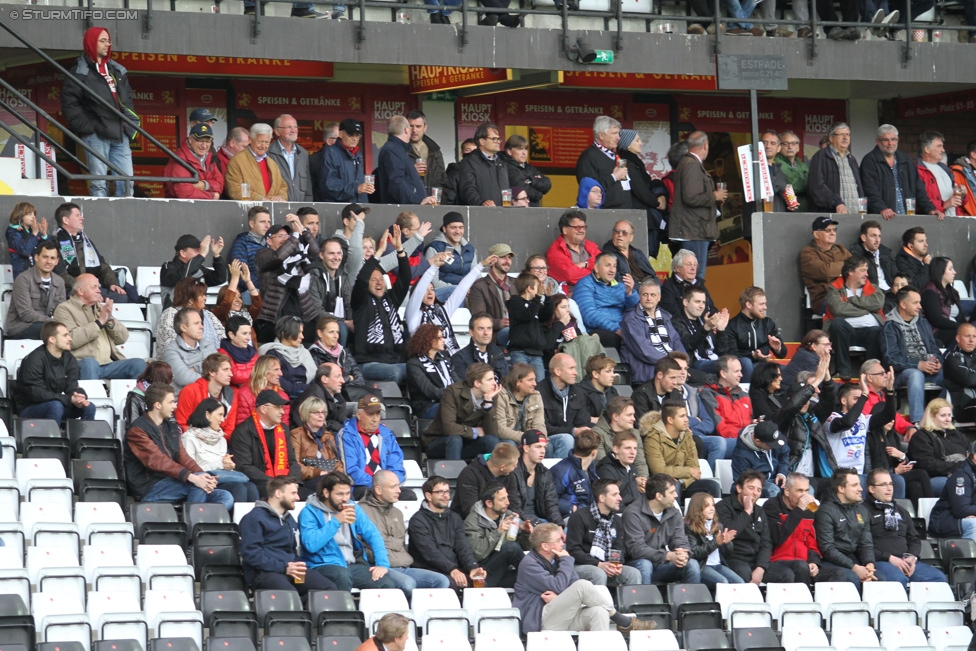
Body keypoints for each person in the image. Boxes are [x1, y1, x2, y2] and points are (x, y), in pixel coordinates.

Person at [514, 522, 651, 634]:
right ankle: (622, 620)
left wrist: (559, 598)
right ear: (545, 546)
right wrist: (566, 561)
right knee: (583, 585)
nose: (562, 543)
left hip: (562, 615)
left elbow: (571, 583)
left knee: (599, 612)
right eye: (557, 540)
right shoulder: (529, 564)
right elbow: (559, 586)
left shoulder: (558, 560)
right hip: (540, 620)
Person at [123, 382, 234, 511]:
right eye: (170, 402)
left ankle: (205, 526)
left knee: (225, 496)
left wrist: (204, 476)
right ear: (158, 405)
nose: (175, 406)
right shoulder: (137, 430)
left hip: (175, 481)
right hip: (150, 487)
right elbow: (158, 461)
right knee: (197, 485)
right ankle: (194, 525)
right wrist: (193, 477)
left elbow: (184, 457)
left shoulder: (171, 427)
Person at [61, 27, 134, 198]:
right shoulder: (79, 72)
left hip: (120, 132)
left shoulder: (117, 70)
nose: (107, 44)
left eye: (108, 41)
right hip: (96, 134)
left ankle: (124, 221)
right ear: (91, 43)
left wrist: (130, 125)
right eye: (102, 41)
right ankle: (102, 221)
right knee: (99, 184)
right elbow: (70, 105)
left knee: (127, 182)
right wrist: (90, 127)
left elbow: (128, 100)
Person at [298, 471, 398, 591]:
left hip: (351, 565)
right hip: (322, 565)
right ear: (326, 492)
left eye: (347, 494)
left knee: (386, 583)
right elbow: (311, 545)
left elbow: (373, 535)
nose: (345, 499)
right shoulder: (309, 512)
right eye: (340, 494)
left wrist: (382, 564)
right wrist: (336, 522)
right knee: (342, 576)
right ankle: (345, 609)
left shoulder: (353, 507)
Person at [239, 476, 337, 597]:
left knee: (329, 589)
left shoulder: (289, 519)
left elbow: (292, 550)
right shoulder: (254, 518)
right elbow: (251, 555)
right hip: (264, 573)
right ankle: (297, 611)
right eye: (293, 493)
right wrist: (284, 567)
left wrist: (296, 564)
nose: (298, 497)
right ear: (278, 493)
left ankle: (305, 613)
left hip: (291, 570)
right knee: (290, 595)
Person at [358, 470, 452, 597]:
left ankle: (421, 615)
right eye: (393, 487)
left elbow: (400, 544)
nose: (399, 491)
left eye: (399, 486)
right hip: (378, 567)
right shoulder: (361, 511)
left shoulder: (397, 512)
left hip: (404, 567)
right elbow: (360, 547)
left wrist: (389, 545)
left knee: (442, 581)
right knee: (408, 584)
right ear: (379, 490)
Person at [54, 273, 145, 381]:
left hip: (108, 365)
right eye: (94, 287)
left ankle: (134, 398)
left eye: (98, 287)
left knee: (138, 364)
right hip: (79, 364)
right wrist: (99, 322)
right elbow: (70, 340)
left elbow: (123, 338)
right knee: (90, 363)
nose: (99, 291)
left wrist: (109, 319)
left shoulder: (100, 309)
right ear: (80, 291)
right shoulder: (64, 309)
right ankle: (90, 397)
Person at [864, 468, 947, 586]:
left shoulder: (902, 511)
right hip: (880, 561)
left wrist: (912, 557)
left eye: (891, 484)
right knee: (899, 579)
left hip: (904, 561)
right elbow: (862, 545)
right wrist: (889, 558)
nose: (889, 488)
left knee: (938, 578)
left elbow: (914, 539)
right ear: (871, 488)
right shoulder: (862, 511)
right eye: (883, 485)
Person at [351, 226, 412, 385]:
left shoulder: (391, 299)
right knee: (396, 372)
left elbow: (405, 278)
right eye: (374, 280)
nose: (379, 282)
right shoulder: (361, 301)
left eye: (381, 279)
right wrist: (378, 253)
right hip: (368, 363)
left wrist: (400, 250)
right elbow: (361, 278)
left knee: (418, 369)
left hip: (394, 360)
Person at [762, 472, 844, 586]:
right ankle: (805, 602)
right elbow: (777, 538)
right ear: (787, 491)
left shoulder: (810, 510)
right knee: (800, 566)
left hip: (804, 563)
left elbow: (812, 541)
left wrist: (814, 562)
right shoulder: (771, 506)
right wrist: (799, 510)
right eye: (800, 491)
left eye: (807, 491)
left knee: (839, 574)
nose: (804, 495)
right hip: (778, 561)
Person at [407, 252, 492, 358]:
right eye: (426, 290)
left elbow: (460, 290)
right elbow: (419, 290)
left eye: (432, 290)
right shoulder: (413, 314)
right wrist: (434, 267)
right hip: (427, 360)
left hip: (452, 359)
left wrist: (481, 266)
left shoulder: (442, 311)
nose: (430, 293)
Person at [621, 473, 701, 585]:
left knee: (692, 564)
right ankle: (646, 602)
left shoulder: (674, 512)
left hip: (662, 564)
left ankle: (690, 601)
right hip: (636, 563)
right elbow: (636, 549)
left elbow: (680, 539)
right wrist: (667, 556)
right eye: (672, 492)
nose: (676, 495)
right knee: (645, 564)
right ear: (658, 496)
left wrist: (683, 553)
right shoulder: (633, 513)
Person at [408, 476, 486, 589]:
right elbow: (430, 553)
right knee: (452, 584)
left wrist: (472, 567)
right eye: (440, 492)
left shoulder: (455, 518)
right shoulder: (418, 520)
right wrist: (452, 569)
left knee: (480, 584)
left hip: (451, 569)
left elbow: (463, 547)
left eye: (447, 492)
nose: (446, 496)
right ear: (428, 496)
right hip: (429, 570)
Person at [882, 285, 944, 425]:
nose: (920, 306)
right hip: (902, 373)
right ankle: (918, 422)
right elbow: (891, 359)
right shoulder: (889, 327)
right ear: (903, 305)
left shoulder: (923, 323)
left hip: (928, 368)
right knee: (915, 374)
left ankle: (944, 416)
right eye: (915, 303)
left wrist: (938, 362)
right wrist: (918, 365)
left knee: (953, 373)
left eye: (919, 302)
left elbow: (934, 349)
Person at [254, 217, 321, 345]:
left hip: (303, 313)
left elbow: (315, 253)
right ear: (269, 240)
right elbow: (278, 257)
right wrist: (295, 236)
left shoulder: (296, 256)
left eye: (287, 236)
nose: (285, 239)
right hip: (276, 317)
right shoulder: (262, 255)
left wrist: (303, 230)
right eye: (280, 236)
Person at [566, 478, 643, 587]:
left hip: (606, 565)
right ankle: (600, 604)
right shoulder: (579, 516)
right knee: (598, 573)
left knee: (632, 573)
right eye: (615, 495)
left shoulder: (617, 520)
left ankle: (630, 604)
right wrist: (599, 564)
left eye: (619, 494)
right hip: (581, 565)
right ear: (602, 498)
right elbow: (573, 550)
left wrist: (616, 565)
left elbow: (619, 548)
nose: (620, 498)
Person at [181, 398, 260, 503]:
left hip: (221, 479)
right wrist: (221, 464)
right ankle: (232, 519)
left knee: (251, 487)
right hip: (202, 483)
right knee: (239, 488)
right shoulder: (189, 437)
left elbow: (224, 467)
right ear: (207, 415)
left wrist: (229, 466)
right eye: (220, 415)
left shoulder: (222, 439)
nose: (223, 420)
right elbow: (190, 470)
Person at [13, 320, 95, 422]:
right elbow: (37, 394)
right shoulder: (35, 359)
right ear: (52, 339)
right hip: (29, 408)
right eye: (65, 335)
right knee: (55, 406)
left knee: (89, 406)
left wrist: (79, 396)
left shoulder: (69, 359)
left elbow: (72, 386)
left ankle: (84, 437)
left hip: (56, 404)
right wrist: (69, 399)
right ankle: (52, 437)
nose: (70, 339)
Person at [53, 202, 136, 301]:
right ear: (65, 220)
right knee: (80, 297)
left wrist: (113, 283)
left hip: (93, 287)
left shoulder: (86, 242)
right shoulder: (55, 243)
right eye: (77, 215)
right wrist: (85, 288)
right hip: (72, 289)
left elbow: (103, 266)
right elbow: (61, 274)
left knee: (121, 297)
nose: (82, 218)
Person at [670, 131, 724, 281]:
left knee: (690, 275)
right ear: (705, 145)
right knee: (694, 276)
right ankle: (692, 304)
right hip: (694, 230)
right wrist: (714, 196)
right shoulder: (691, 165)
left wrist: (714, 201)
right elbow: (691, 197)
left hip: (693, 229)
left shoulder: (688, 163)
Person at [228, 389, 302, 498]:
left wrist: (292, 482)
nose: (282, 412)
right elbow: (244, 466)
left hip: (283, 482)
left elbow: (292, 461)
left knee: (312, 493)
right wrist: (275, 484)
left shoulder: (284, 429)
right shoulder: (243, 431)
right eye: (277, 407)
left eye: (282, 408)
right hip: (259, 484)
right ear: (263, 409)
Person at [423, 363, 503, 461]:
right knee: (455, 439)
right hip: (440, 441)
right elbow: (449, 428)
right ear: (477, 383)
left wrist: (488, 403)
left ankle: (489, 475)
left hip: (467, 442)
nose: (494, 383)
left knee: (492, 440)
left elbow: (492, 432)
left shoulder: (490, 395)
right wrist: (475, 431)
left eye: (494, 379)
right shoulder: (453, 391)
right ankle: (454, 474)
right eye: (490, 380)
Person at [642, 401, 721, 501]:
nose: (686, 420)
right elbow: (659, 471)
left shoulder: (687, 435)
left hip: (684, 483)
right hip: (660, 487)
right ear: (670, 420)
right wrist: (688, 472)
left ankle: (712, 516)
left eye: (686, 416)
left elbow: (695, 469)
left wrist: (682, 481)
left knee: (712, 486)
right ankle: (675, 516)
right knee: (673, 486)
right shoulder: (653, 438)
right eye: (682, 416)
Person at [815, 468, 877, 588]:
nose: (861, 488)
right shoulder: (825, 511)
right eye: (855, 485)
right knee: (852, 579)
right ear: (841, 488)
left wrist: (869, 564)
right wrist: (854, 567)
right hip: (830, 561)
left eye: (859, 484)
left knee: (879, 579)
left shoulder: (862, 510)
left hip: (853, 560)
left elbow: (866, 544)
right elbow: (827, 549)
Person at [825, 256, 885, 380]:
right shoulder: (834, 289)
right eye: (863, 270)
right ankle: (843, 370)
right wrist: (866, 309)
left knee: (877, 331)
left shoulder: (874, 288)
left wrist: (852, 300)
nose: (866, 274)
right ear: (850, 272)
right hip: (847, 333)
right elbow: (838, 309)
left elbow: (878, 304)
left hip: (870, 332)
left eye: (867, 270)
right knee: (837, 323)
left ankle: (870, 372)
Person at [860, 125, 937, 218]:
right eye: (885, 140)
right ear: (877, 141)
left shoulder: (905, 159)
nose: (890, 143)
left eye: (893, 139)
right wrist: (881, 208)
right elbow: (870, 190)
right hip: (882, 218)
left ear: (898, 140)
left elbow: (918, 189)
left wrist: (930, 209)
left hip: (907, 217)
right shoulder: (870, 160)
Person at [340, 395, 408, 500]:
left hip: (386, 486)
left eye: (378, 414)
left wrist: (391, 485)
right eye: (371, 414)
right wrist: (377, 485)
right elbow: (351, 470)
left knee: (409, 496)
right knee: (369, 495)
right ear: (358, 415)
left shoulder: (386, 434)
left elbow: (397, 466)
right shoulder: (347, 435)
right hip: (361, 486)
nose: (375, 419)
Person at [621, 276, 686, 385]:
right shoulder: (631, 318)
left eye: (653, 295)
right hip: (647, 371)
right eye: (645, 294)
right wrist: (672, 363)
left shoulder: (665, 316)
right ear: (639, 296)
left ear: (659, 297)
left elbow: (676, 341)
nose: (649, 298)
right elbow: (644, 350)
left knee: (701, 377)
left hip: (669, 366)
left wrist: (682, 362)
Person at [463, 483, 528, 588]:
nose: (508, 502)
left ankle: (539, 577)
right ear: (489, 503)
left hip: (504, 571)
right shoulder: (472, 521)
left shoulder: (508, 515)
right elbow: (477, 553)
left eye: (507, 497)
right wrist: (498, 531)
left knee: (528, 578)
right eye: (502, 499)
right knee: (510, 548)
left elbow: (524, 549)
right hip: (484, 572)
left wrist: (526, 533)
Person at [573, 253, 638, 350]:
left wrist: (629, 293)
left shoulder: (621, 286)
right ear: (596, 268)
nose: (612, 270)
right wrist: (616, 329)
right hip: (598, 330)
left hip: (623, 327)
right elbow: (589, 315)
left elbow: (635, 311)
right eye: (607, 265)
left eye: (614, 266)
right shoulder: (585, 284)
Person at [908, 398, 968, 497]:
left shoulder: (958, 435)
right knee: (964, 485)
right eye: (943, 416)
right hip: (936, 478)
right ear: (931, 416)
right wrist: (959, 465)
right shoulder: (921, 437)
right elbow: (927, 465)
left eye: (949, 415)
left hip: (963, 474)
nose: (948, 419)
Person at [6, 240, 66, 340]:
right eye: (45, 257)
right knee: (54, 332)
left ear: (57, 261)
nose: (48, 261)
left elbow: (62, 309)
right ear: (36, 257)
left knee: (67, 330)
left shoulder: (59, 281)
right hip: (21, 327)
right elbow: (26, 314)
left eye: (52, 258)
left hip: (47, 325)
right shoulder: (23, 279)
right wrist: (51, 321)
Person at [727, 286, 787, 381]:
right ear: (749, 305)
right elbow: (731, 355)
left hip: (763, 366)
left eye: (765, 304)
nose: (765, 307)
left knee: (788, 371)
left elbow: (782, 354)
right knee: (746, 363)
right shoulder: (732, 325)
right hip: (743, 368)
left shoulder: (768, 323)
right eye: (761, 304)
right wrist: (753, 355)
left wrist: (778, 348)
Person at [290, 393, 344, 497]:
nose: (321, 416)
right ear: (306, 414)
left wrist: (336, 474)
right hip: (309, 480)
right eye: (316, 413)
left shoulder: (329, 436)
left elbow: (338, 463)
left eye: (323, 412)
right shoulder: (296, 435)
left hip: (330, 479)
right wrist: (318, 472)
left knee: (344, 488)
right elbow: (295, 465)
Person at [684, 493, 742, 590]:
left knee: (740, 583)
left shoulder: (718, 526)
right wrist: (716, 542)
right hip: (702, 566)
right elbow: (694, 552)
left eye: (713, 505)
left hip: (718, 565)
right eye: (707, 506)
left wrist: (727, 543)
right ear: (697, 508)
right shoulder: (689, 527)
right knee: (723, 583)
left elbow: (727, 554)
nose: (712, 508)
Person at [175, 353, 239, 440]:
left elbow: (229, 429)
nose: (231, 374)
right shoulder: (190, 391)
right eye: (225, 370)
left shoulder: (232, 394)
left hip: (219, 442)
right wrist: (203, 440)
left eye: (230, 370)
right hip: (193, 442)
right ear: (212, 372)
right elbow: (182, 423)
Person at [537, 353, 589, 460]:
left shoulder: (578, 392)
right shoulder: (539, 392)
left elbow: (582, 421)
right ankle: (561, 475)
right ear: (557, 371)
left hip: (571, 436)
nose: (576, 372)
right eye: (571, 368)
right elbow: (542, 427)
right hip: (547, 437)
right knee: (567, 439)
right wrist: (572, 431)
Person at [673, 285, 734, 375]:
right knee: (730, 366)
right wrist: (706, 328)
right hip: (695, 364)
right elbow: (688, 344)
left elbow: (722, 351)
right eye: (697, 302)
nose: (701, 306)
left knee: (744, 362)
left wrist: (721, 329)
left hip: (713, 360)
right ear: (685, 302)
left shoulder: (704, 320)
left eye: (703, 302)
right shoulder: (676, 321)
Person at [452, 442, 522, 519]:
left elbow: (513, 502)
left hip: (502, 519)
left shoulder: (510, 476)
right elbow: (470, 509)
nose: (516, 467)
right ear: (502, 467)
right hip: (469, 524)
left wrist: (512, 516)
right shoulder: (469, 474)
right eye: (514, 465)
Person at [376, 116, 436, 206]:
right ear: (406, 130)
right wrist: (417, 201)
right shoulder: (392, 150)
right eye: (410, 127)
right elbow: (396, 183)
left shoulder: (397, 149)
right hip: (403, 211)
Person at [575, 116, 632, 210]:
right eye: (614, 133)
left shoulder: (614, 155)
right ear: (601, 135)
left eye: (618, 133)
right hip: (605, 213)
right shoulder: (588, 156)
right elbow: (588, 189)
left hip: (624, 211)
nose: (618, 137)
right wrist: (614, 177)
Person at [799, 216, 853, 315]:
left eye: (834, 229)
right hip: (824, 299)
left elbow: (857, 266)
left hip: (851, 293)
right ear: (816, 234)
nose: (833, 233)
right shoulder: (808, 252)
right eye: (828, 230)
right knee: (851, 310)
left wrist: (836, 268)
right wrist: (847, 267)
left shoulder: (840, 249)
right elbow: (826, 272)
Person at [156, 278, 226, 352]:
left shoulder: (208, 315)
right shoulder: (170, 314)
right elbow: (170, 345)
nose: (205, 297)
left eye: (205, 294)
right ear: (190, 299)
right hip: (177, 359)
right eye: (201, 295)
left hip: (209, 360)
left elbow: (222, 337)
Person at [308, 316, 367, 403]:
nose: (336, 336)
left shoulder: (344, 352)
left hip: (350, 397)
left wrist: (339, 384)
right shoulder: (313, 353)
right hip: (329, 401)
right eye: (331, 332)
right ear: (320, 333)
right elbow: (322, 383)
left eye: (337, 332)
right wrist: (349, 378)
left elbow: (360, 379)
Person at [808, 122, 864, 214]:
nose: (845, 138)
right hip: (832, 216)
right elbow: (816, 186)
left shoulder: (852, 159)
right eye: (841, 134)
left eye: (847, 135)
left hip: (855, 215)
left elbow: (859, 188)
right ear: (831, 138)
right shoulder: (821, 157)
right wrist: (836, 202)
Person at [509, 431, 563, 524]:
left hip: (540, 520)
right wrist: (539, 524)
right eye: (538, 447)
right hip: (519, 521)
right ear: (526, 448)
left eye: (544, 447)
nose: (543, 451)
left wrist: (558, 524)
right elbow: (515, 508)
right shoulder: (513, 472)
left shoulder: (545, 473)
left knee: (565, 531)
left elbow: (551, 504)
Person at [159, 234, 227, 308]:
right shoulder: (168, 267)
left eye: (200, 250)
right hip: (174, 315)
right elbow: (183, 278)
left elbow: (220, 278)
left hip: (196, 314)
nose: (200, 253)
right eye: (197, 250)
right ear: (183, 253)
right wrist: (202, 255)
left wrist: (216, 255)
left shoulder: (198, 268)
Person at [224, 123, 288, 201]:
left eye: (267, 142)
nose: (263, 146)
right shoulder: (237, 161)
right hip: (250, 211)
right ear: (250, 139)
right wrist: (260, 199)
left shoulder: (272, 163)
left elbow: (282, 186)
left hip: (271, 210)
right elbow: (234, 190)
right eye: (260, 142)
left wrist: (280, 196)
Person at [700, 355, 753, 448]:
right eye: (737, 371)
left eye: (740, 371)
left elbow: (750, 421)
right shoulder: (709, 394)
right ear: (723, 374)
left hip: (745, 438)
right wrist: (748, 436)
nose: (741, 375)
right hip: (726, 441)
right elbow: (721, 428)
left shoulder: (744, 394)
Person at [259, 316, 316, 400]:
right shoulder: (272, 353)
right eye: (298, 332)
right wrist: (307, 387)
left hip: (308, 396)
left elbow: (314, 380)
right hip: (284, 398)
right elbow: (282, 384)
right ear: (284, 333)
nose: (302, 337)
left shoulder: (305, 353)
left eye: (302, 332)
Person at [161, 308, 219, 392]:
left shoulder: (208, 345)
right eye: (196, 323)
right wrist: (213, 378)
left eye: (201, 323)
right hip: (185, 398)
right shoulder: (170, 351)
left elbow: (220, 369)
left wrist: (195, 368)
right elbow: (184, 377)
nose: (201, 327)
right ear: (183, 328)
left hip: (210, 396)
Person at [468, 244, 516, 344]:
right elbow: (478, 317)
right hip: (494, 334)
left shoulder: (516, 283)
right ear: (492, 260)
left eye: (509, 258)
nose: (507, 261)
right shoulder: (479, 286)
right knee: (513, 332)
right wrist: (499, 323)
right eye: (503, 257)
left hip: (517, 328)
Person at [423, 213, 477, 301]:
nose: (458, 231)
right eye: (453, 227)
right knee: (457, 293)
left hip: (468, 293)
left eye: (461, 227)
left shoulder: (469, 249)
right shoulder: (435, 248)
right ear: (444, 229)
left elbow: (476, 276)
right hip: (444, 294)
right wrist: (460, 289)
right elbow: (433, 282)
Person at [929, 441, 976, 542]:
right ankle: (970, 557)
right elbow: (961, 510)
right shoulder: (962, 475)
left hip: (965, 517)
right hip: (944, 520)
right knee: (974, 524)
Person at [163, 123, 224, 200]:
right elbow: (184, 192)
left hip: (203, 208)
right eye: (200, 141)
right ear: (190, 140)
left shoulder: (209, 157)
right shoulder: (180, 159)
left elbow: (220, 184)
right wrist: (212, 196)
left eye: (208, 141)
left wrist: (203, 185)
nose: (204, 145)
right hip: (180, 209)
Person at [545, 209, 601, 291]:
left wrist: (585, 264)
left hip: (598, 290)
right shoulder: (555, 251)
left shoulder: (590, 245)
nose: (582, 230)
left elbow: (603, 264)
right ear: (565, 230)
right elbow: (570, 275)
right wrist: (597, 274)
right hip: (572, 295)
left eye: (583, 227)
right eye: (577, 227)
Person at [731, 419, 790, 498]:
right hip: (757, 484)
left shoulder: (771, 435)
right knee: (773, 490)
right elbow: (743, 482)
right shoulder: (741, 455)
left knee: (802, 487)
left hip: (777, 478)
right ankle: (776, 510)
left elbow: (784, 455)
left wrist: (782, 473)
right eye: (770, 445)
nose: (773, 447)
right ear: (758, 441)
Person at [551, 430, 601, 520]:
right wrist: (571, 508)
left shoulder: (591, 468)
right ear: (594, 452)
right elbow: (550, 499)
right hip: (569, 516)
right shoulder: (561, 470)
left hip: (590, 513)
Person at [594, 396, 649, 477]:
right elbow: (603, 465)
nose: (634, 419)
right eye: (629, 415)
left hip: (632, 479)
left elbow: (640, 463)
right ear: (615, 417)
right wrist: (632, 481)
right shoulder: (597, 433)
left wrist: (642, 479)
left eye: (633, 415)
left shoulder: (635, 433)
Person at [458, 122, 509, 207]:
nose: (498, 142)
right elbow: (467, 190)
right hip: (482, 214)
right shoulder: (469, 162)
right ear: (482, 141)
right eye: (494, 139)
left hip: (503, 213)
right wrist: (481, 202)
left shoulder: (503, 161)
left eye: (499, 139)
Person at [321, 119, 372, 204]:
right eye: (351, 134)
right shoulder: (330, 152)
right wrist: (356, 188)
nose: (355, 138)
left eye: (358, 135)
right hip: (340, 208)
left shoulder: (357, 153)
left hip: (358, 205)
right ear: (340, 134)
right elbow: (329, 184)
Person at [451, 312, 511, 383]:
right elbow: (463, 389)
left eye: (489, 328)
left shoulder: (497, 352)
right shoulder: (459, 358)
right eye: (481, 329)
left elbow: (506, 381)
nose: (486, 333)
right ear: (471, 332)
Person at [921, 257, 967, 347]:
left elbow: (960, 317)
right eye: (950, 269)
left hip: (954, 328)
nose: (954, 272)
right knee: (967, 336)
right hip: (938, 332)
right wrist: (961, 327)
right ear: (940, 271)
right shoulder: (929, 292)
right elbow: (937, 320)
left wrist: (967, 327)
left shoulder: (950, 291)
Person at [917, 131, 964, 217]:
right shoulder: (917, 171)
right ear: (927, 149)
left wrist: (963, 194)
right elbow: (918, 201)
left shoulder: (946, 169)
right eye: (939, 146)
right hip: (933, 222)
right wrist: (944, 204)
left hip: (953, 220)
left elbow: (959, 201)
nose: (943, 150)